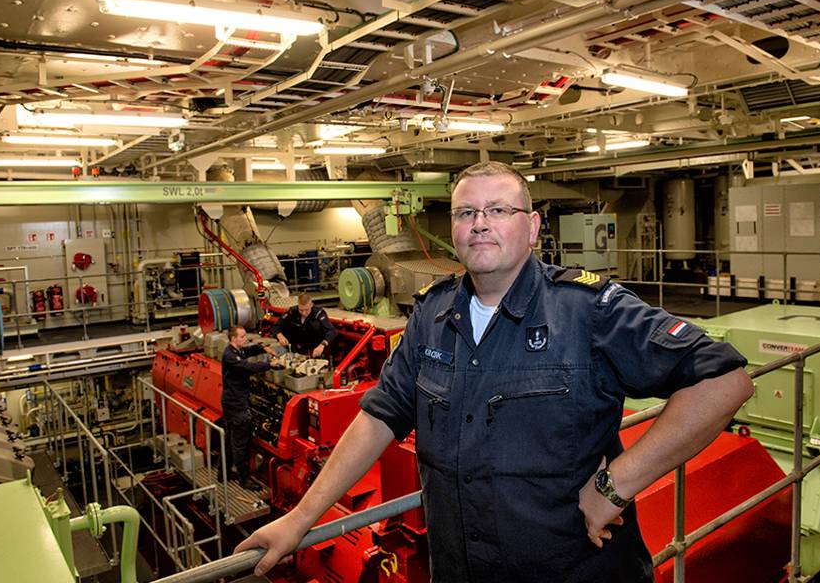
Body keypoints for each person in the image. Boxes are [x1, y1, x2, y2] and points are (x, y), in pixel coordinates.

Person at [236, 162, 754, 582]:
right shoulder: (431, 315)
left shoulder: (588, 309)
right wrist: (299, 520)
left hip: (574, 570)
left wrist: (614, 486)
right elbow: (379, 417)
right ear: (454, 230)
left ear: (532, 227)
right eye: (466, 212)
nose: (480, 222)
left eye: (499, 210)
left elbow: (723, 380)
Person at [221, 325, 270, 487]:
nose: (245, 339)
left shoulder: (237, 351)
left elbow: (248, 351)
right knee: (240, 443)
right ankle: (244, 479)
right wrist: (270, 364)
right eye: (242, 337)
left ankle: (224, 473)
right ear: (233, 339)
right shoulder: (230, 356)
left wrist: (262, 348)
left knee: (230, 440)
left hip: (233, 402)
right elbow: (248, 367)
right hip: (236, 404)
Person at [270, 292, 338, 358]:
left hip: (315, 349)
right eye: (301, 310)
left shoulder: (319, 314)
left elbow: (332, 331)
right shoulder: (292, 311)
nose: (304, 313)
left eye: (306, 310)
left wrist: (322, 345)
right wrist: (280, 336)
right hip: (295, 348)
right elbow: (276, 326)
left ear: (311, 305)